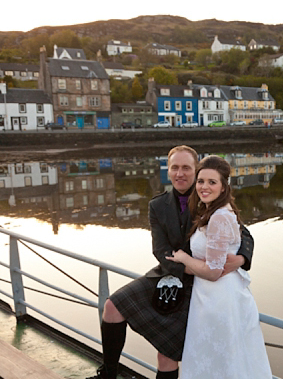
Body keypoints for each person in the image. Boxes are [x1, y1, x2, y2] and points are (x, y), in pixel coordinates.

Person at [88, 146, 253, 379]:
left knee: (166, 354)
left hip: (201, 285)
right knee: (112, 306)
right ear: (168, 170)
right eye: (174, 167)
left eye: (186, 168)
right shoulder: (157, 205)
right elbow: (160, 250)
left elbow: (243, 234)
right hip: (171, 271)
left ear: (196, 170)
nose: (180, 173)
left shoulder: (209, 197)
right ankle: (108, 374)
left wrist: (241, 258)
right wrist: (191, 268)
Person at [166, 155, 271, 378]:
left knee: (221, 362)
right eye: (201, 181)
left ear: (224, 187)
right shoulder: (210, 210)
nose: (204, 187)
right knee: (219, 361)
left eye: (211, 182)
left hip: (219, 300)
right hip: (209, 297)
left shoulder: (219, 216)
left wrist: (184, 258)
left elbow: (214, 271)